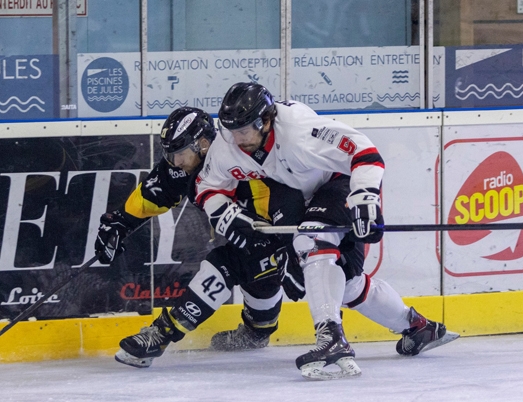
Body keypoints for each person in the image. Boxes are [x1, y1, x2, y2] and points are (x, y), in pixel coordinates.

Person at [195, 83, 459, 380]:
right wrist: (223, 212)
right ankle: (419, 328)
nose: (237, 139)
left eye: (244, 131)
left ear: (265, 121)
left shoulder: (300, 131)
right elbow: (208, 186)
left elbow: (366, 154)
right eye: (232, 131)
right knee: (346, 285)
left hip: (339, 183)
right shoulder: (229, 143)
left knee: (312, 241)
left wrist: (364, 199)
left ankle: (330, 338)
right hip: (299, 195)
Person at [94, 107, 306, 368]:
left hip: (278, 238)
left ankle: (164, 333)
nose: (175, 162)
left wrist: (289, 246)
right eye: (170, 155)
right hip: (249, 244)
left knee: (228, 267)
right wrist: (119, 222)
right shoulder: (184, 167)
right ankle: (251, 333)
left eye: (179, 154)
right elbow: (154, 191)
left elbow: (287, 203)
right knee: (245, 287)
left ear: (203, 144)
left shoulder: (243, 158)